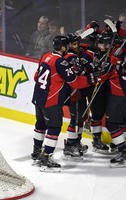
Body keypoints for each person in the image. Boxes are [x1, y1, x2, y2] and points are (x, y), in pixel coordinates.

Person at [31, 35, 93, 172]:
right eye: (67, 46)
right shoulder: (61, 62)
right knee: (54, 128)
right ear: (63, 47)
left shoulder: (45, 56)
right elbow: (75, 82)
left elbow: (36, 77)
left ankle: (36, 153)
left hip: (38, 97)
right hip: (51, 100)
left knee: (40, 124)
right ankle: (46, 157)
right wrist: (90, 79)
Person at [94, 31, 126, 167]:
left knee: (112, 123)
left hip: (120, 94)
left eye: (102, 44)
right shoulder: (119, 53)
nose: (99, 46)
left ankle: (124, 154)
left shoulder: (110, 59)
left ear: (108, 45)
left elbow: (101, 77)